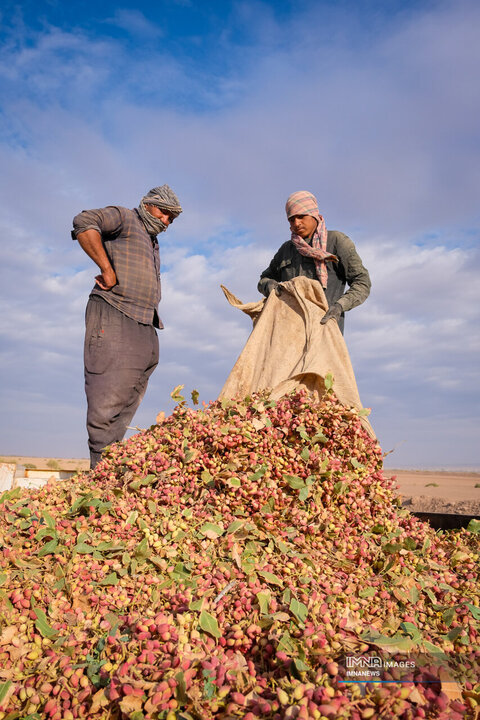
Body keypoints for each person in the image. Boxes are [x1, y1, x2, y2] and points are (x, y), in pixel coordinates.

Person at [72, 185, 182, 468]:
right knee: (107, 396)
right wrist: (107, 270)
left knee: (127, 398)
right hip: (115, 312)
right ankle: (99, 477)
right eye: (164, 213)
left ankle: (109, 467)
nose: (166, 221)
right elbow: (84, 222)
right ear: (147, 205)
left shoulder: (150, 238)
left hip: (144, 321)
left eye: (172, 218)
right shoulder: (125, 217)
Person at [258, 191, 371, 334]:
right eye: (291, 220)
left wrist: (339, 306)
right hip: (289, 333)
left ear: (313, 214)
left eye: (301, 217)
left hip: (325, 330)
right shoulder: (286, 250)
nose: (296, 223)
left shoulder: (336, 242)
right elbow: (264, 279)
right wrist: (269, 285)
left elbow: (362, 282)